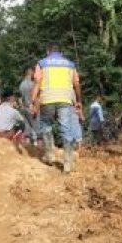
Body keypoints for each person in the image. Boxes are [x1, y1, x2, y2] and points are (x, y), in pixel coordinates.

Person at [31, 44, 82, 174]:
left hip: (47, 98)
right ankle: (68, 164)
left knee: (46, 125)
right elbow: (76, 84)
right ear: (61, 52)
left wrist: (32, 101)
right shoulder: (69, 64)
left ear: (48, 52)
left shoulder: (42, 63)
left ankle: (50, 156)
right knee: (66, 129)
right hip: (65, 99)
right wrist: (79, 101)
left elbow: (37, 82)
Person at [18, 64, 38, 145]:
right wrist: (35, 108)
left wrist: (22, 107)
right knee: (36, 127)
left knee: (27, 128)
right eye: (34, 72)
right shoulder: (33, 84)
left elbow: (20, 99)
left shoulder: (21, 84)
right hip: (32, 108)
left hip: (24, 108)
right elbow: (36, 98)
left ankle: (28, 144)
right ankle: (36, 146)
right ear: (31, 72)